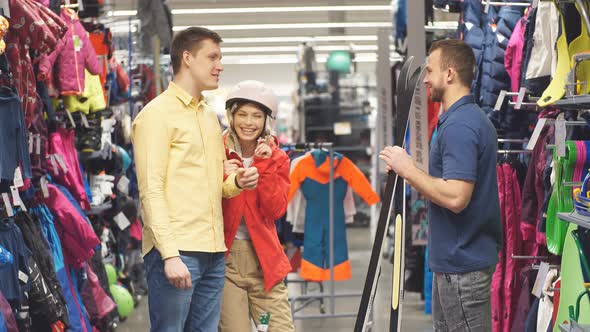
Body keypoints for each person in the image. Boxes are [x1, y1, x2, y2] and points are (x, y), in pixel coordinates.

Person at [132, 27, 259, 332]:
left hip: (213, 251)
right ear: (187, 58)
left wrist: (237, 182)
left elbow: (215, 187)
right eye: (213, 57)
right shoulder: (156, 115)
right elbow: (151, 190)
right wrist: (170, 255)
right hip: (177, 251)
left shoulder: (206, 116)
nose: (220, 65)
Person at [379, 39, 501, 332]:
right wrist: (406, 169)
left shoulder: (460, 125)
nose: (425, 79)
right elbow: (445, 184)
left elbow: (457, 196)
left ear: (449, 74)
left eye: (430, 71)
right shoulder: (460, 120)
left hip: (463, 268)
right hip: (456, 264)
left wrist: (408, 169)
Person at [219, 80, 295, 332]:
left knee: (276, 328)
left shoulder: (277, 158)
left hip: (265, 262)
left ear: (266, 121)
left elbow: (275, 211)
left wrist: (263, 167)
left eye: (257, 116)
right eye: (242, 114)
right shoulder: (216, 151)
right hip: (226, 262)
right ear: (231, 116)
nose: (248, 122)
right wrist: (223, 175)